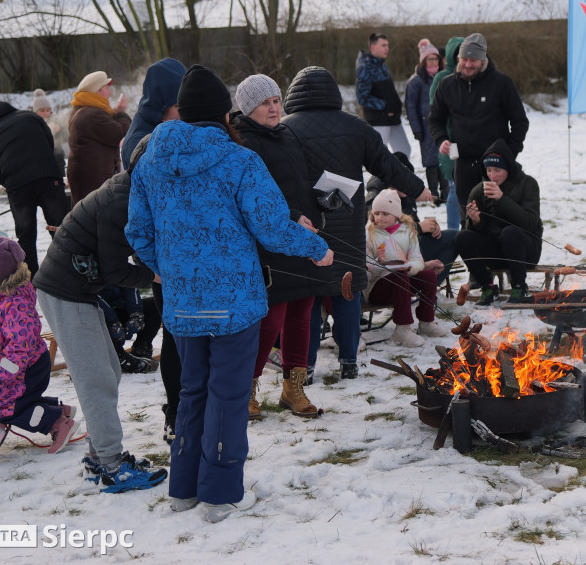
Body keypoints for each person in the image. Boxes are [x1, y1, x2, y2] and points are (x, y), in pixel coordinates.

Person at [127, 64, 332, 522]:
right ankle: (220, 494)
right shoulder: (240, 161)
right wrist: (317, 248)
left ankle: (184, 488)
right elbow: (272, 226)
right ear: (225, 114)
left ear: (182, 112)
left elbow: (137, 231)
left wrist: (169, 270)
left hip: (183, 303)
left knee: (192, 391)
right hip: (234, 303)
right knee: (228, 395)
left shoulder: (151, 160)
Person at [33, 148, 167, 493]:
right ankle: (111, 465)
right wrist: (156, 275)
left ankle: (97, 458)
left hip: (78, 290)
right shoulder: (120, 202)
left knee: (107, 371)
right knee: (97, 382)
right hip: (65, 292)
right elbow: (115, 270)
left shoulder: (132, 192)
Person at [283, 66, 427, 379]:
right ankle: (349, 361)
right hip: (348, 228)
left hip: (305, 229)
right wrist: (418, 188)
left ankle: (304, 367)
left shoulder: (284, 128)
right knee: (346, 292)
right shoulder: (356, 126)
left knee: (308, 299)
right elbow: (388, 165)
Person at [230, 74, 328, 420]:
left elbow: (300, 182)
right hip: (269, 243)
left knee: (303, 312)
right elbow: (253, 198)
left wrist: (321, 202)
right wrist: (291, 215)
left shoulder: (287, 134)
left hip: (301, 237)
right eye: (264, 103)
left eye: (276, 101)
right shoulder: (242, 142)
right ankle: (246, 388)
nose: (273, 108)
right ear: (248, 108)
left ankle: (293, 389)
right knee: (271, 320)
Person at [118, 57, 186, 443]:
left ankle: (191, 409)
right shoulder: (142, 140)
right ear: (162, 103)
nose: (184, 111)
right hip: (164, 256)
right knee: (175, 336)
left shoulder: (170, 128)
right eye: (178, 104)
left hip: (182, 252)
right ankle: (175, 413)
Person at [0, 236, 77, 454]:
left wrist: (0, 374)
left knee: (9, 409)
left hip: (26, 366)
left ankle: (57, 423)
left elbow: (21, 346)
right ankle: (59, 410)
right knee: (15, 399)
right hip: (7, 366)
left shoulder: (14, 303)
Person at [429, 32, 529, 224]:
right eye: (464, 59)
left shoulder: (501, 83)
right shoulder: (447, 85)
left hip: (495, 163)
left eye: (473, 60)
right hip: (463, 163)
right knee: (468, 218)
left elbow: (520, 121)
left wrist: (509, 153)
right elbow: (435, 119)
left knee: (498, 217)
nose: (468, 64)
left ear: (482, 60)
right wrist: (441, 139)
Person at [0, 101, 69, 276]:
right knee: (60, 228)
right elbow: (49, 140)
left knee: (26, 235)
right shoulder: (30, 116)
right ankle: (67, 272)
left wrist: (8, 183)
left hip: (18, 187)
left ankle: (30, 278)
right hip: (48, 179)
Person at [455, 139, 542, 305]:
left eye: (497, 170)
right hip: (496, 252)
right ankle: (487, 286)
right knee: (462, 237)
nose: (492, 175)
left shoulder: (528, 184)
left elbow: (530, 223)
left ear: (508, 168)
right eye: (489, 170)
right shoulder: (479, 190)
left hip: (526, 252)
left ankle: (519, 286)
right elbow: (474, 234)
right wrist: (475, 221)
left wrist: (502, 199)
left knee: (509, 232)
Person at [365, 151, 458, 285]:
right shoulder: (376, 195)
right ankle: (421, 286)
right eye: (406, 181)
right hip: (390, 258)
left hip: (411, 247)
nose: (409, 186)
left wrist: (430, 228)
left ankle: (430, 284)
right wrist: (419, 228)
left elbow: (410, 222)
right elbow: (380, 231)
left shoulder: (405, 193)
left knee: (454, 237)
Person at [364, 190, 442, 347]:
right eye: (376, 213)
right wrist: (380, 262)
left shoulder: (408, 231)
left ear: (396, 215)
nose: (379, 217)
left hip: (403, 281)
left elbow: (417, 258)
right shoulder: (369, 234)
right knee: (399, 276)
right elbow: (366, 269)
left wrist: (409, 267)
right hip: (377, 289)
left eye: (385, 213)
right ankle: (402, 329)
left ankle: (426, 322)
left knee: (428, 276)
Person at [67, 70, 131, 206]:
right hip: (92, 179)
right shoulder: (92, 115)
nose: (110, 93)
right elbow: (119, 132)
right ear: (97, 90)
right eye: (107, 88)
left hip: (88, 177)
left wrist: (116, 113)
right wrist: (121, 114)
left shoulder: (86, 111)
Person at [429, 36, 465, 230]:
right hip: (450, 140)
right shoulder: (442, 78)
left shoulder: (472, 76)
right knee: (454, 185)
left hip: (471, 140)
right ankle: (452, 231)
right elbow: (435, 110)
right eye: (458, 54)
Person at [356, 32, 412, 156]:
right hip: (379, 120)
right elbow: (362, 97)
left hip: (392, 118)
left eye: (387, 45)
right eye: (383, 45)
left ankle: (398, 170)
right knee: (378, 156)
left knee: (404, 151)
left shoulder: (382, 65)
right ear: (373, 47)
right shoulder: (365, 67)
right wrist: (384, 106)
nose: (387, 48)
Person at [406, 39, 444, 199]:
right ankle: (434, 194)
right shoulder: (416, 81)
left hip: (443, 125)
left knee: (445, 159)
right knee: (431, 162)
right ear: (423, 61)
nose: (434, 62)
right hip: (425, 127)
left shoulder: (443, 77)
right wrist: (417, 129)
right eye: (430, 59)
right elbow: (410, 107)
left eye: (436, 58)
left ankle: (446, 192)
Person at [32, 88, 66, 170]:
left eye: (48, 110)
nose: (46, 113)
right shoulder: (32, 123)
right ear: (35, 112)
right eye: (42, 111)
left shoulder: (56, 121)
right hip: (40, 162)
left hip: (58, 161)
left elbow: (66, 137)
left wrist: (59, 130)